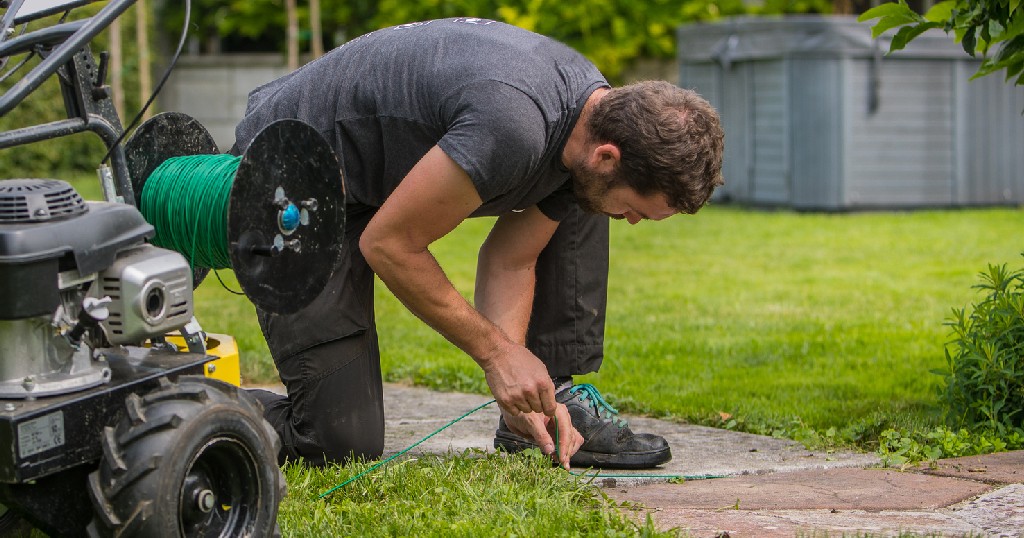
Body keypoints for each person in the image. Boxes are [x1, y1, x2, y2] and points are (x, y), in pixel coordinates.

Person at [235, 17, 724, 470]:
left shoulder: (595, 121)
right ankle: (194, 404)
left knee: (591, 204)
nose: (635, 222)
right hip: (292, 176)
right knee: (337, 443)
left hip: (374, 181)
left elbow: (511, 259)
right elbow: (388, 244)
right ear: (608, 155)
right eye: (640, 208)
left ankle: (543, 401)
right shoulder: (514, 125)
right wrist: (496, 355)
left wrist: (514, 388)